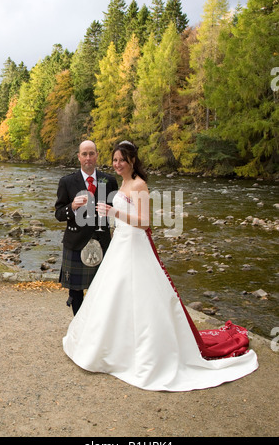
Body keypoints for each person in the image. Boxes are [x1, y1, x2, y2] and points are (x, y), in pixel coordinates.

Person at [62, 141, 258, 392]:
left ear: (132, 161)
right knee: (112, 295)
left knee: (141, 298)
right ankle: (111, 347)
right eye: (114, 160)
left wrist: (114, 212)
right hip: (120, 244)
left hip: (135, 246)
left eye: (121, 160)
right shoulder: (122, 183)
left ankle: (141, 352)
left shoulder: (140, 184)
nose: (117, 164)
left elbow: (145, 222)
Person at [55, 140, 118, 315]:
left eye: (91, 153)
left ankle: (96, 328)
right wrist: (72, 207)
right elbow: (59, 214)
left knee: (102, 291)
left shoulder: (109, 181)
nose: (88, 158)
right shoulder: (67, 182)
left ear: (97, 155)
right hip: (76, 243)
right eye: (84, 154)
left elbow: (114, 212)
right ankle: (79, 328)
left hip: (103, 243)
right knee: (75, 293)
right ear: (79, 157)